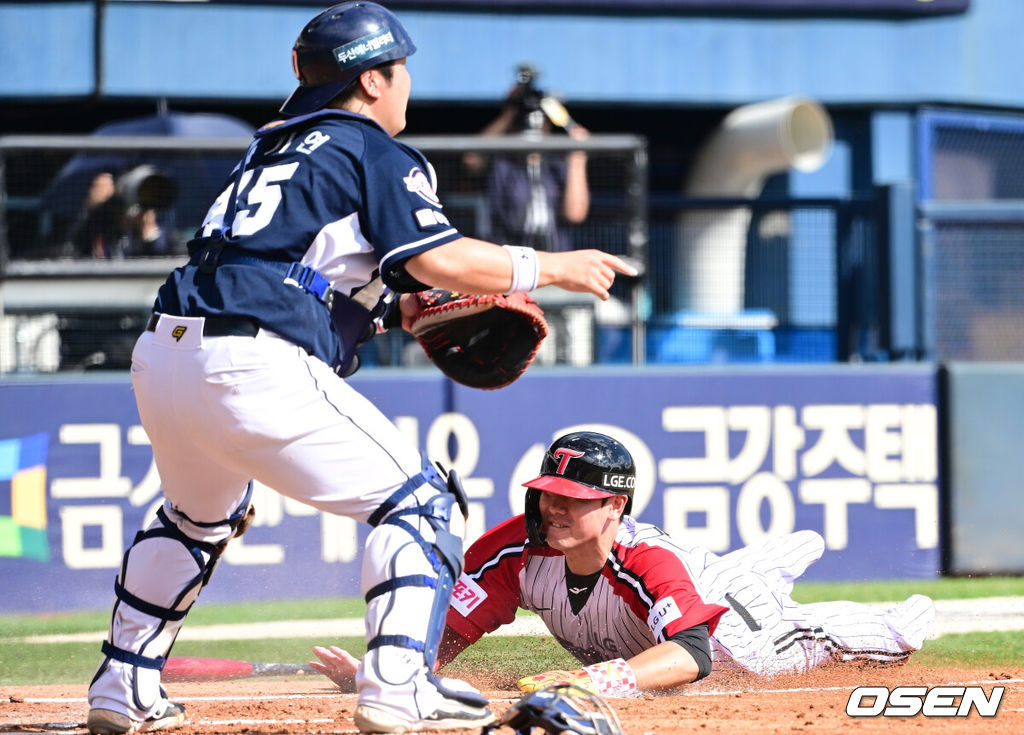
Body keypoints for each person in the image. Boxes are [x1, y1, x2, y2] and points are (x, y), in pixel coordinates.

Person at [83, 3, 635, 735]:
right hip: (252, 355)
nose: (406, 86)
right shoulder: (372, 147)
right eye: (400, 70)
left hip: (166, 351)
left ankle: (122, 685)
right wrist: (553, 266)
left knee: (193, 519)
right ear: (373, 78)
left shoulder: (272, 146)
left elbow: (304, 275)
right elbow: (436, 260)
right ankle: (401, 684)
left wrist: (387, 313)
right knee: (425, 502)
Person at [312, 431, 936, 697]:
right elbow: (450, 629)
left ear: (614, 505)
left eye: (573, 500)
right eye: (547, 493)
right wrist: (395, 670)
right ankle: (774, 559)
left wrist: (595, 681)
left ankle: (888, 626)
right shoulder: (516, 548)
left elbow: (693, 655)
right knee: (743, 575)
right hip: (692, 584)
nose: (552, 508)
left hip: (728, 626)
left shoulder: (644, 559)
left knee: (783, 646)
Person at [464, 64, 591, 253]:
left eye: (543, 123)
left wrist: (578, 157)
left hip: (553, 258)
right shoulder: (503, 163)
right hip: (507, 259)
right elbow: (472, 159)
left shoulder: (557, 164)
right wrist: (511, 111)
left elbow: (575, 214)